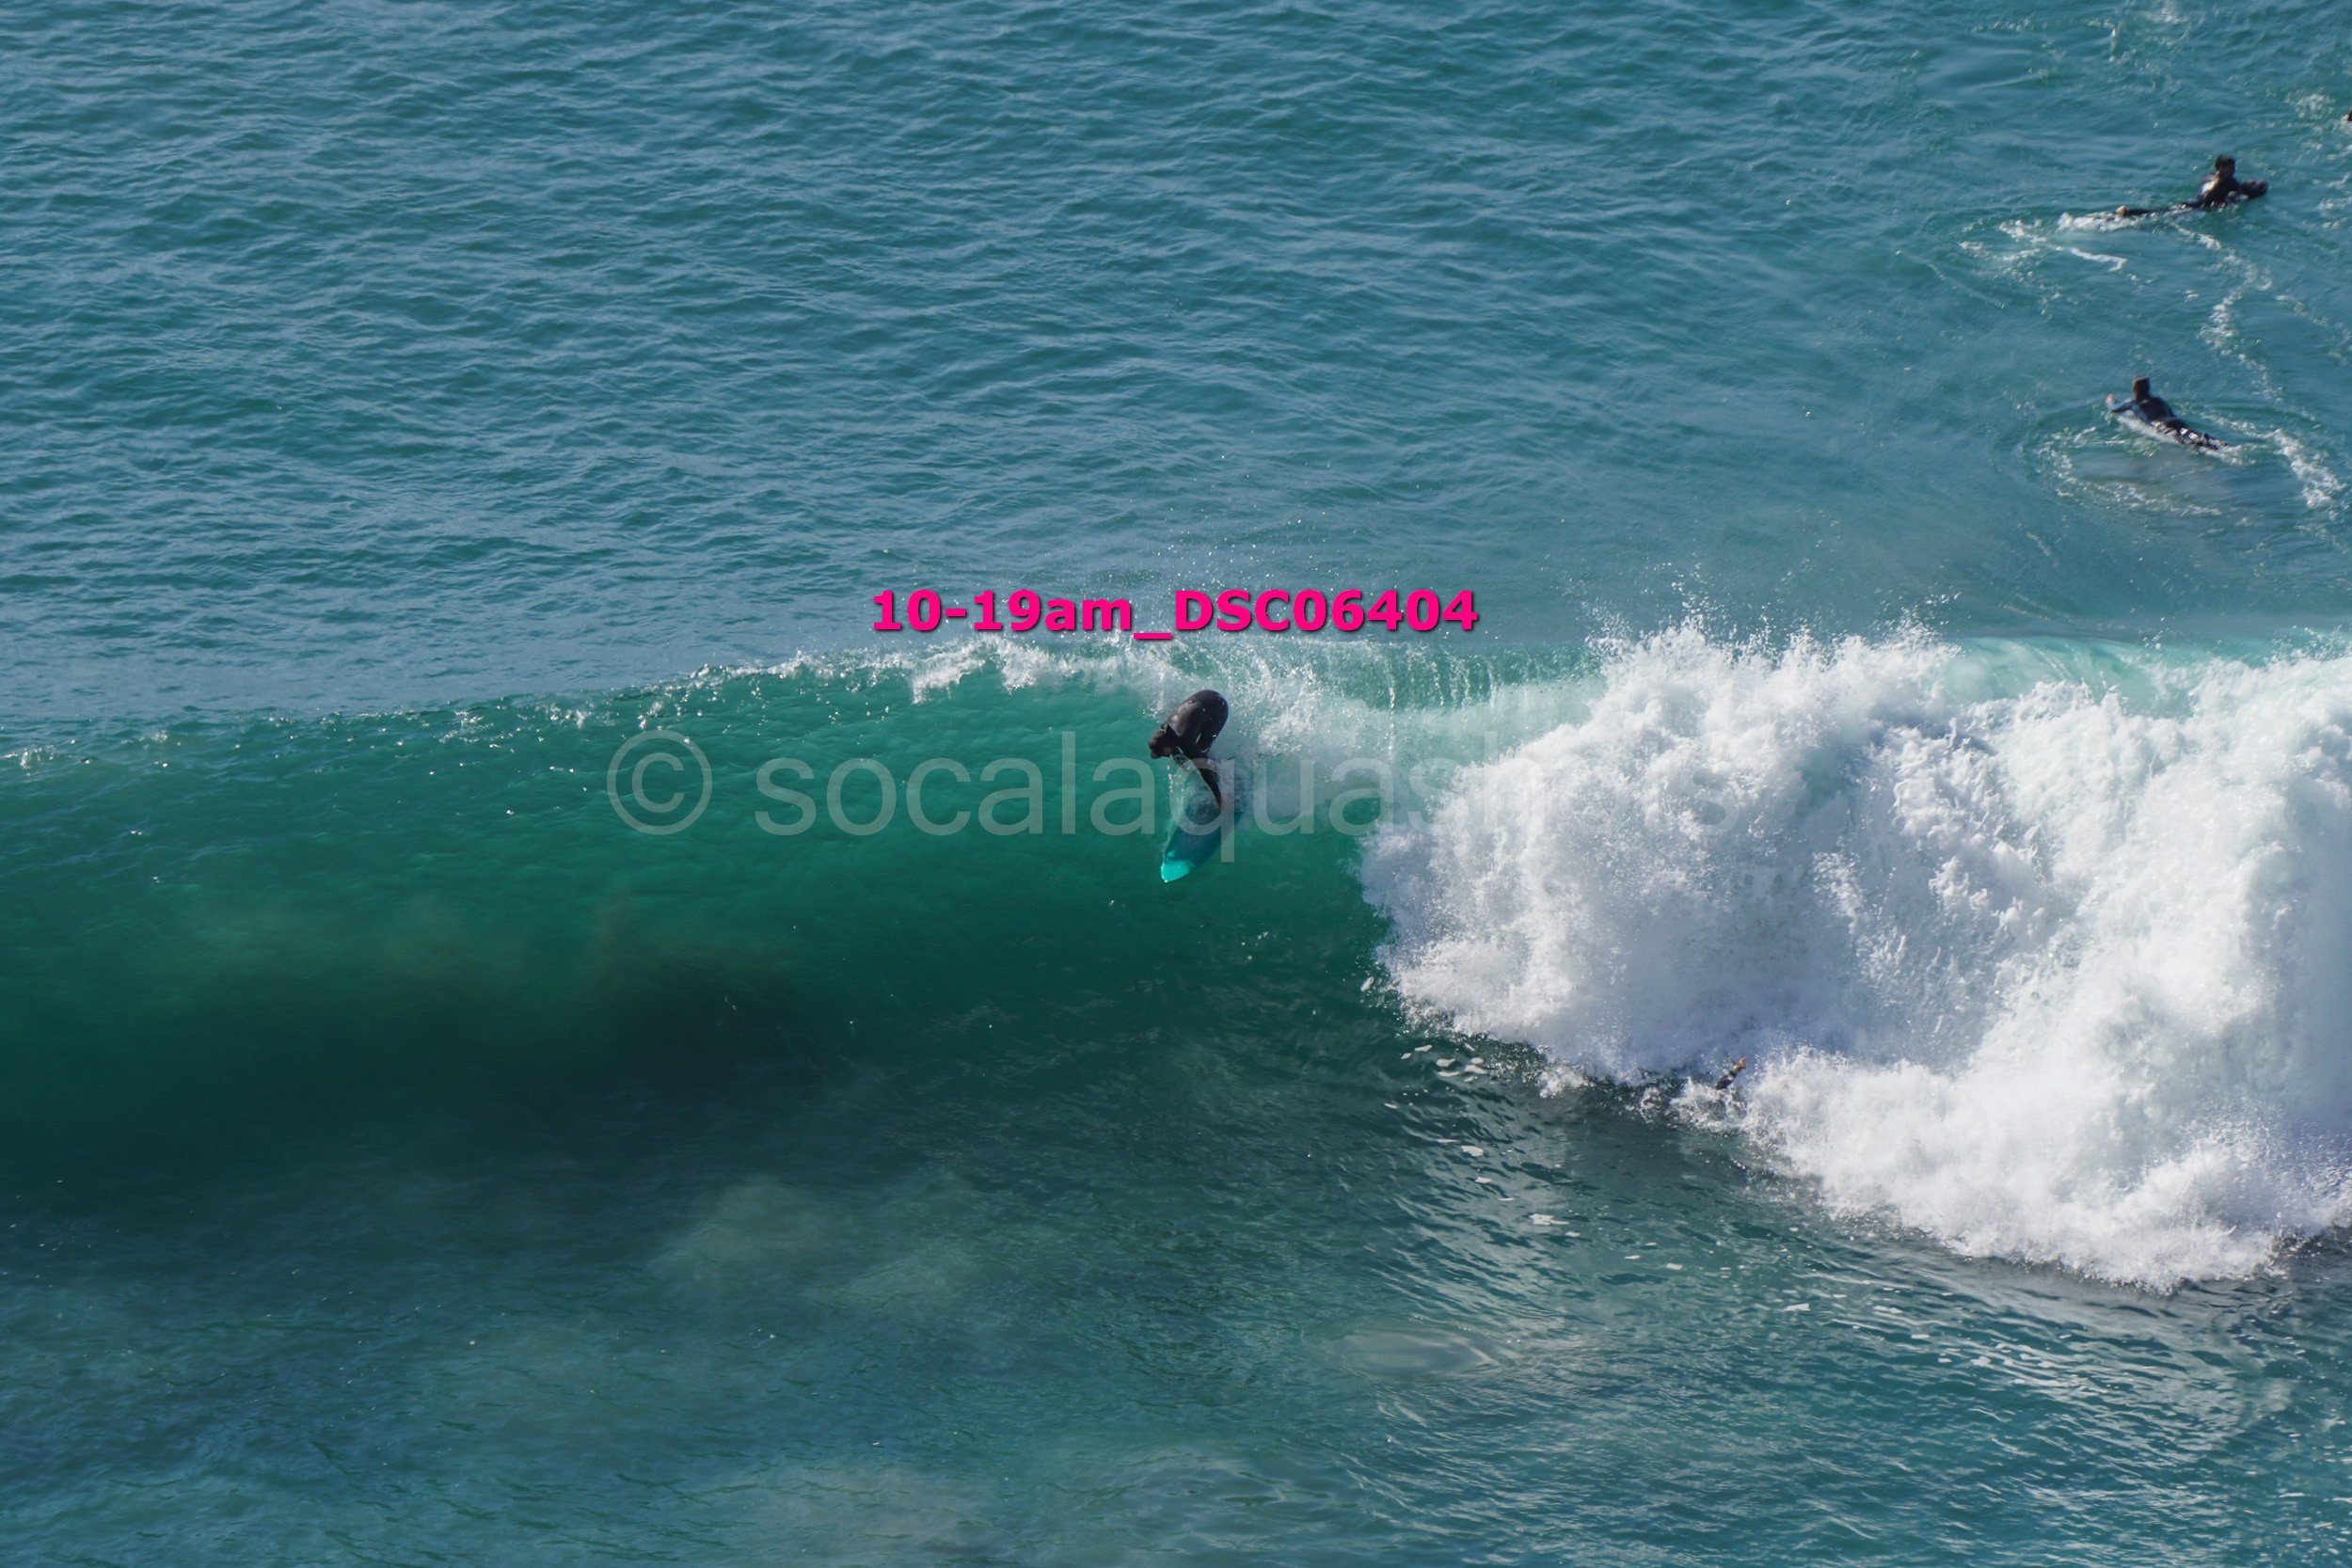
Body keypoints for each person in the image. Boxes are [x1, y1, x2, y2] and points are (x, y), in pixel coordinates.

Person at [2113, 153, 2266, 216]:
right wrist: (2257, 187)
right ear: (2222, 168)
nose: (2234, 169)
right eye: (2231, 167)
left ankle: (2128, 212)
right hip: (2199, 208)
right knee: (2162, 216)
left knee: (2161, 212)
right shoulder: (2230, 182)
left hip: (2191, 202)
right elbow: (2244, 193)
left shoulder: (2208, 177)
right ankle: (2127, 213)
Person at [1148, 689, 1230, 807]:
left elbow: (1202, 766)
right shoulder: (1166, 731)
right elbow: (1176, 755)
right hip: (1205, 696)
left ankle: (1220, 777)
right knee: (1197, 752)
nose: (1165, 756)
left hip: (1218, 706)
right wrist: (1188, 770)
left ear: (1166, 745)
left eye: (1162, 753)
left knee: (1202, 750)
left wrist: (1218, 797)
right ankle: (1215, 774)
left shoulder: (1183, 741)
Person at [2114, 375, 2225, 450]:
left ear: (2134, 390)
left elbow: (2115, 408)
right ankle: (2216, 442)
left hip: (2162, 425)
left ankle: (2203, 444)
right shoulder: (2159, 400)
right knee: (2189, 432)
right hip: (2175, 420)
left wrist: (2111, 400)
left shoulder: (2133, 404)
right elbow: (2171, 413)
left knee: (2183, 440)